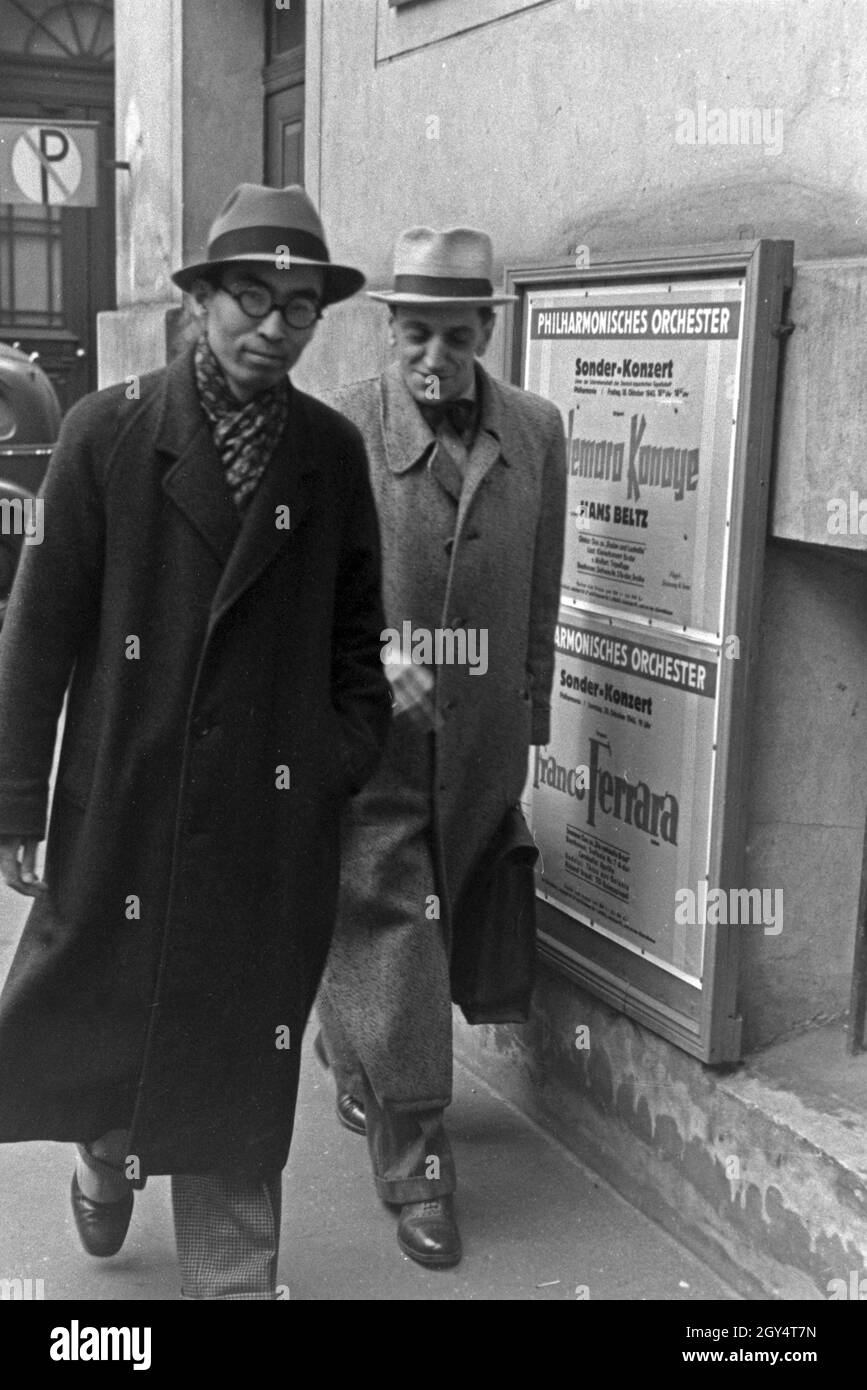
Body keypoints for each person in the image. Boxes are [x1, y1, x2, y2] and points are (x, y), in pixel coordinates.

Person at [0, 183, 390, 1300]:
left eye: (300, 305)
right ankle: (105, 1144)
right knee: (118, 1004)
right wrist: (17, 802)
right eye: (253, 297)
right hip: (126, 798)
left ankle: (233, 1262)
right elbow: (37, 636)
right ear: (204, 299)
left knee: (241, 1030)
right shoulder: (106, 434)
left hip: (268, 817)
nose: (275, 325)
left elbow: (360, 639)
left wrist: (332, 758)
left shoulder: (326, 455)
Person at [316, 225, 567, 1267]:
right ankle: (418, 1159)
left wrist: (534, 707)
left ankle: (359, 1053)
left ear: (482, 333)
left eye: (451, 339)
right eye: (413, 337)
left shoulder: (539, 431)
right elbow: (307, 596)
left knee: (441, 925)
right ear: (390, 332)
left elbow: (544, 580)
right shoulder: (339, 435)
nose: (431, 360)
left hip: (482, 750)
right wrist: (374, 655)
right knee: (398, 930)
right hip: (375, 745)